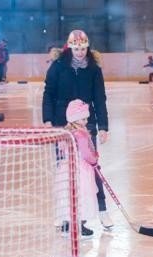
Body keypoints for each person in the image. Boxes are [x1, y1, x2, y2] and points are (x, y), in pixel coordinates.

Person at [42, 29, 113, 229]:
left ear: (87, 47)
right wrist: (48, 119)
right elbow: (48, 94)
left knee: (91, 167)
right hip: (61, 125)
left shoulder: (93, 69)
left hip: (85, 124)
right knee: (64, 170)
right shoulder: (57, 67)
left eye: (83, 48)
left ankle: (102, 210)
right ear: (70, 47)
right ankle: (64, 214)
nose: (80, 52)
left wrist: (103, 126)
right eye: (76, 48)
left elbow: (100, 98)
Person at [62, 99, 100, 238]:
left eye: (86, 118)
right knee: (83, 195)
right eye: (83, 119)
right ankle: (80, 225)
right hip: (81, 171)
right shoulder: (81, 135)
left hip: (67, 169)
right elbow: (86, 154)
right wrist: (94, 160)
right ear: (75, 119)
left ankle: (67, 224)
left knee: (69, 195)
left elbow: (62, 150)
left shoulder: (66, 133)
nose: (85, 122)